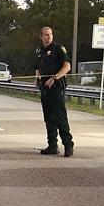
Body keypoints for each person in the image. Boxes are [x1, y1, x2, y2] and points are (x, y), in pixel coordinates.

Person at [35, 26, 74, 157]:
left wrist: (54, 78)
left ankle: (68, 145)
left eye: (50, 34)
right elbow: (37, 68)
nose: (49, 37)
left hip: (57, 87)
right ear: (41, 37)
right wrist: (38, 79)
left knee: (60, 117)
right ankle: (52, 145)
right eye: (46, 35)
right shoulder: (39, 51)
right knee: (49, 118)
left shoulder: (58, 48)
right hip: (45, 89)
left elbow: (67, 66)